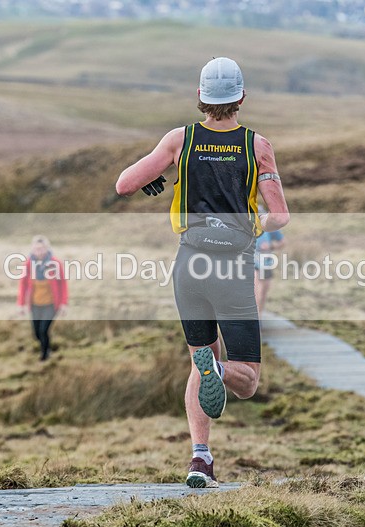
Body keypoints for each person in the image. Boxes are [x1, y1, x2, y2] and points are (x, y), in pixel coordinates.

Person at [116, 57, 289, 488]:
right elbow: (280, 216)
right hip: (232, 269)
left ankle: (200, 460)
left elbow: (123, 184)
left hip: (188, 267)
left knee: (200, 359)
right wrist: (254, 227)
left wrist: (153, 178)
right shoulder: (257, 145)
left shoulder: (179, 140)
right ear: (241, 99)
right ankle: (215, 367)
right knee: (246, 379)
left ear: (200, 98)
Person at [17, 235, 68, 361]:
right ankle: (46, 347)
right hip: (35, 304)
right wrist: (21, 304)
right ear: (32, 249)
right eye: (36, 249)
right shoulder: (28, 264)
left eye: (41, 248)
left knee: (43, 330)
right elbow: (23, 284)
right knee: (36, 333)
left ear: (47, 249)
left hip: (51, 304)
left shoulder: (55, 263)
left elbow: (63, 284)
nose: (39, 251)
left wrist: (63, 304)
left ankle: (45, 356)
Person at [254, 206, 285, 317]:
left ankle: (259, 318)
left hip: (266, 263)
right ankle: (255, 323)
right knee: (256, 294)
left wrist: (270, 245)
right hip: (252, 264)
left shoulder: (269, 228)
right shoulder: (247, 226)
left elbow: (281, 242)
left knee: (262, 294)